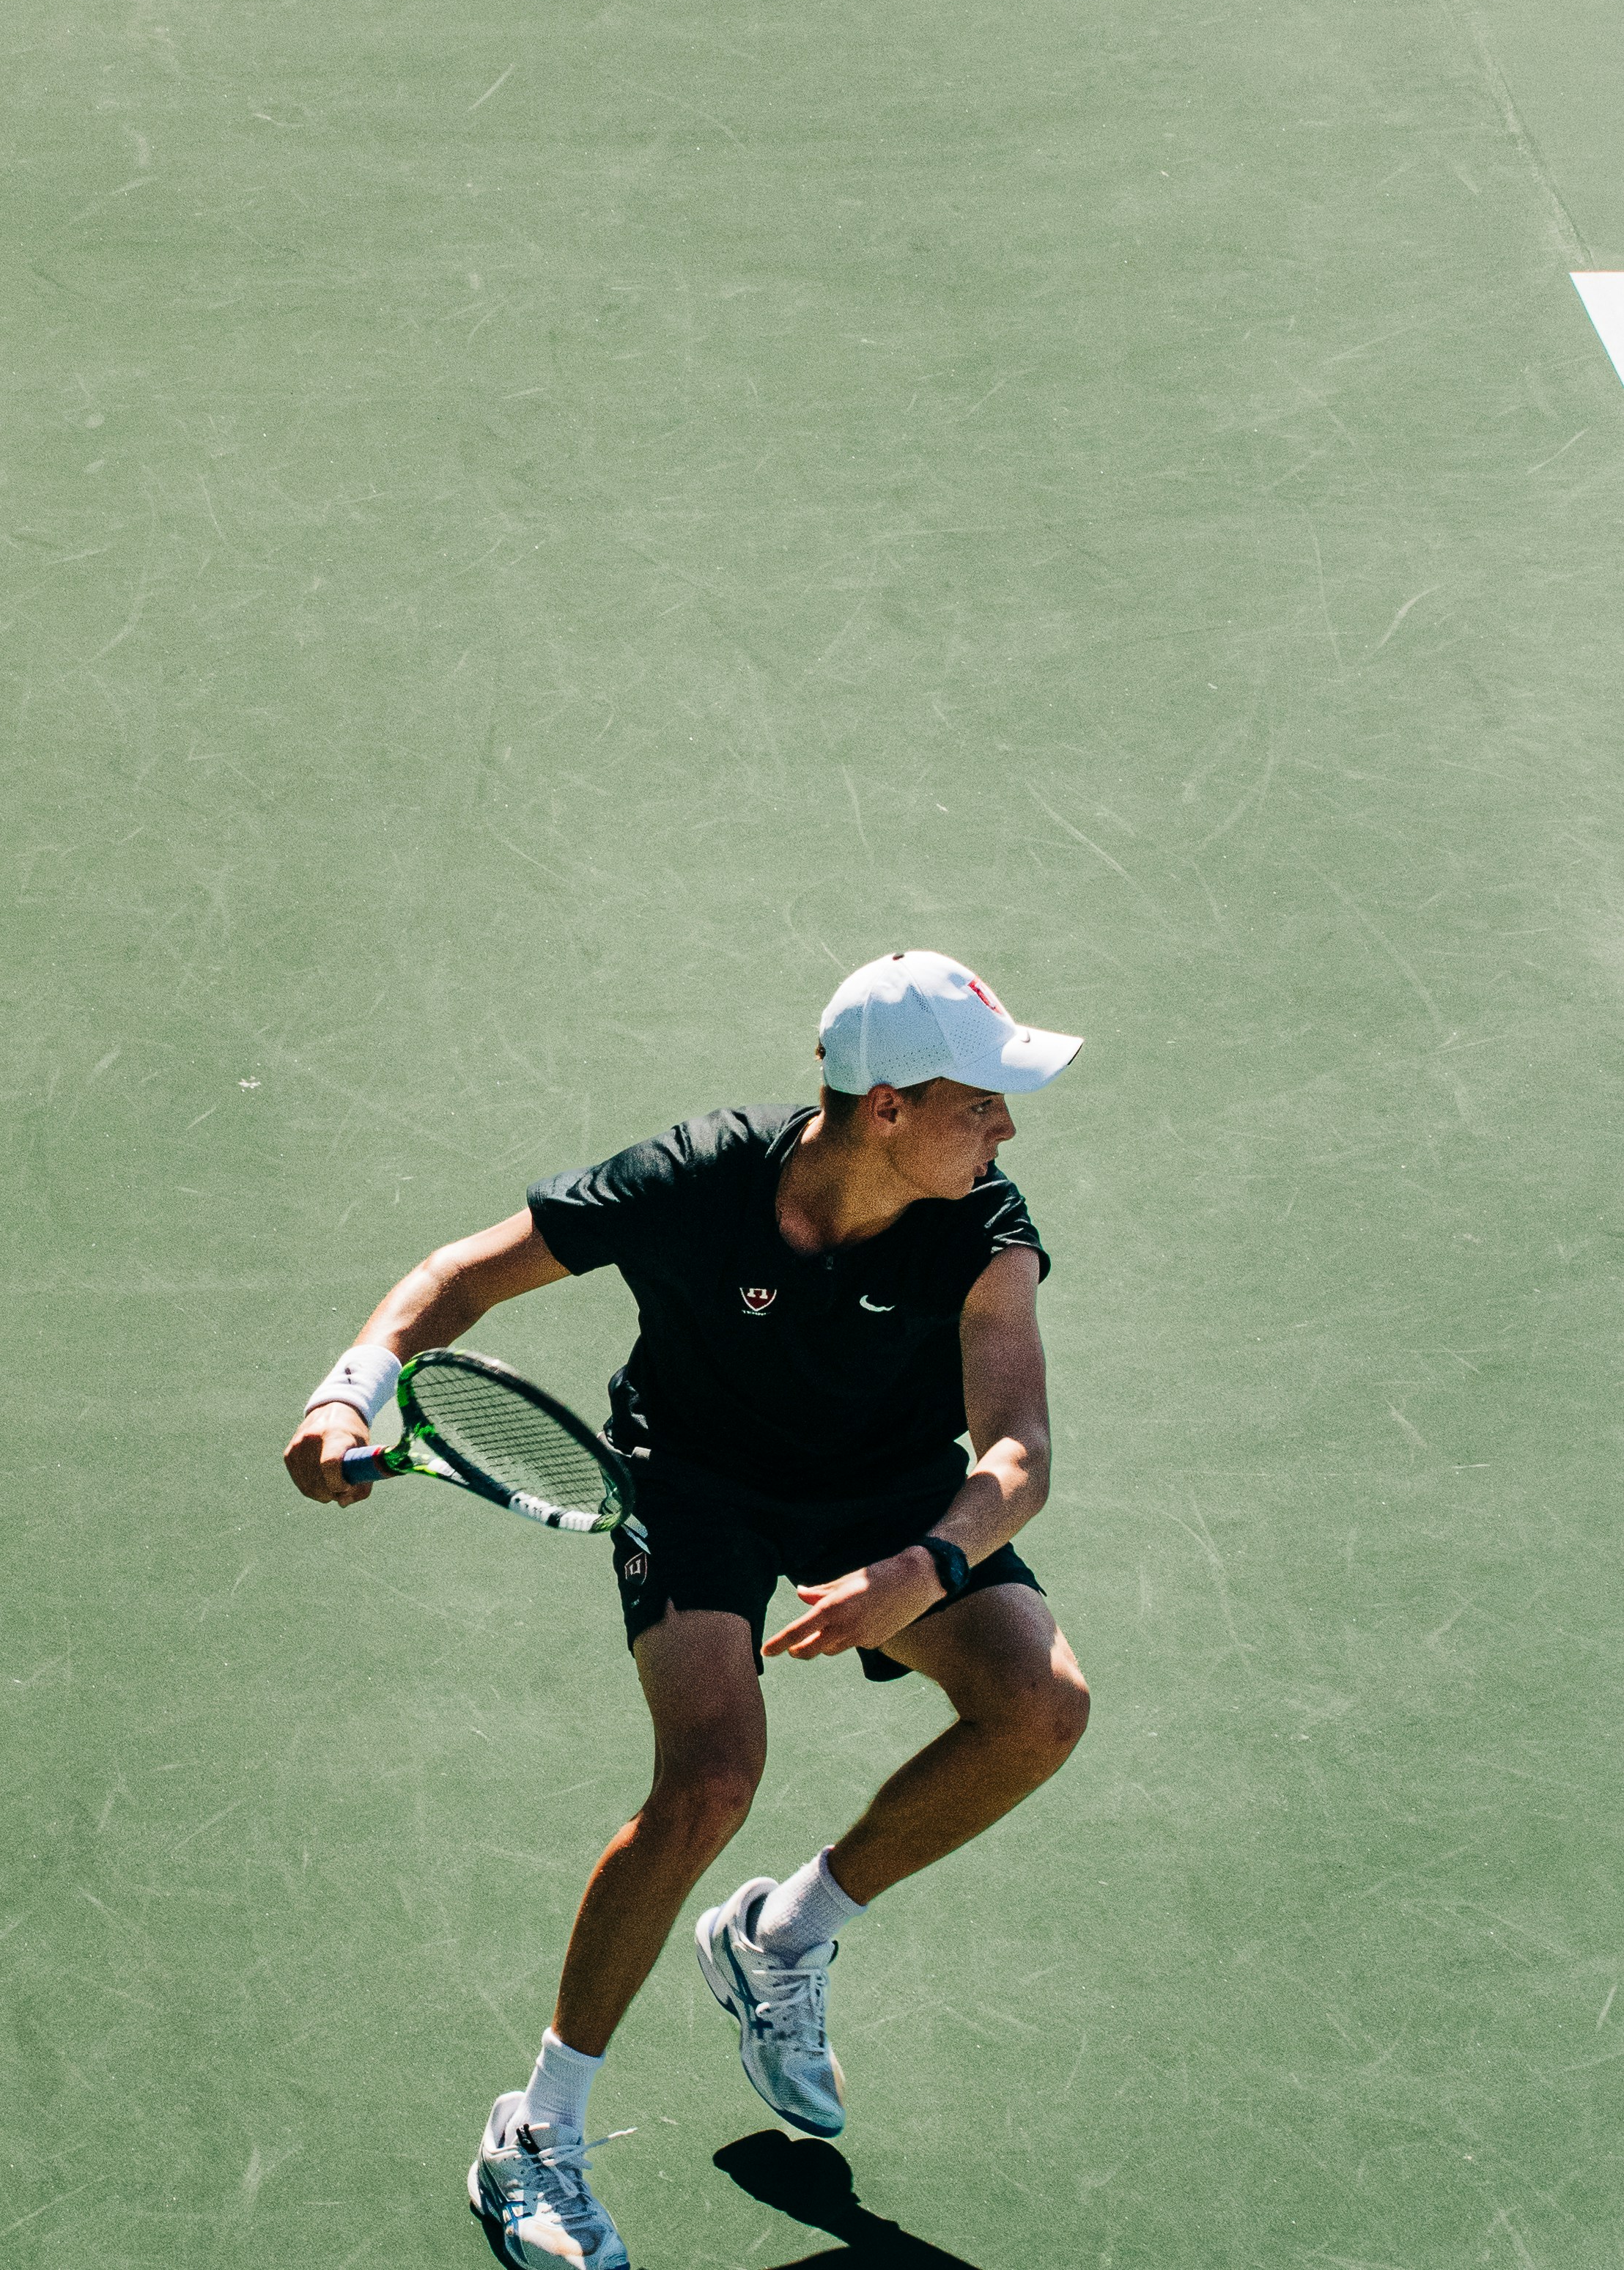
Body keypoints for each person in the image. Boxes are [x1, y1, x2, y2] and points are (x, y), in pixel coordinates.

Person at [282, 951, 1090, 2270]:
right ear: (882, 1106)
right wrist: (344, 1393)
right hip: (691, 1482)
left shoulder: (985, 1227)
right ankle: (533, 2135)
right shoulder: (694, 1182)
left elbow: (1018, 1457)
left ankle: (784, 1936)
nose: (1003, 1125)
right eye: (979, 1099)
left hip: (886, 1497)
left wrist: (923, 1568)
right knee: (711, 1779)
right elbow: (459, 1276)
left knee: (1039, 1709)